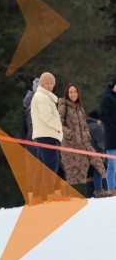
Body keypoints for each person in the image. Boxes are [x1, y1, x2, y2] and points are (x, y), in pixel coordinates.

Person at [57, 84, 107, 197]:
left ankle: (99, 191)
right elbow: (58, 124)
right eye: (70, 92)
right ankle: (63, 195)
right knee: (69, 170)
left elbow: (84, 125)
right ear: (67, 94)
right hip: (70, 144)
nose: (73, 94)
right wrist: (71, 134)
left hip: (84, 143)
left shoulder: (80, 108)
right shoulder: (63, 107)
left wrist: (85, 136)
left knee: (97, 164)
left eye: (75, 92)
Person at [30, 72, 63, 200]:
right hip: (46, 135)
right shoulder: (42, 97)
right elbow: (47, 116)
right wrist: (60, 128)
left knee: (42, 166)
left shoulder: (44, 96)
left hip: (42, 135)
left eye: (51, 83)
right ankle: (50, 195)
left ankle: (37, 195)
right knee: (50, 165)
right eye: (47, 83)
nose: (49, 86)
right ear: (42, 84)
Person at [98, 76, 116, 194]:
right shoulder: (107, 98)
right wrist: (113, 128)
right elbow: (103, 115)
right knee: (112, 164)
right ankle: (112, 190)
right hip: (111, 136)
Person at [87, 110, 108, 195]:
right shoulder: (97, 127)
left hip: (86, 155)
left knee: (89, 176)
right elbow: (101, 143)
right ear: (98, 119)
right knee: (98, 171)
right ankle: (99, 190)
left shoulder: (85, 126)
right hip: (96, 154)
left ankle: (89, 194)